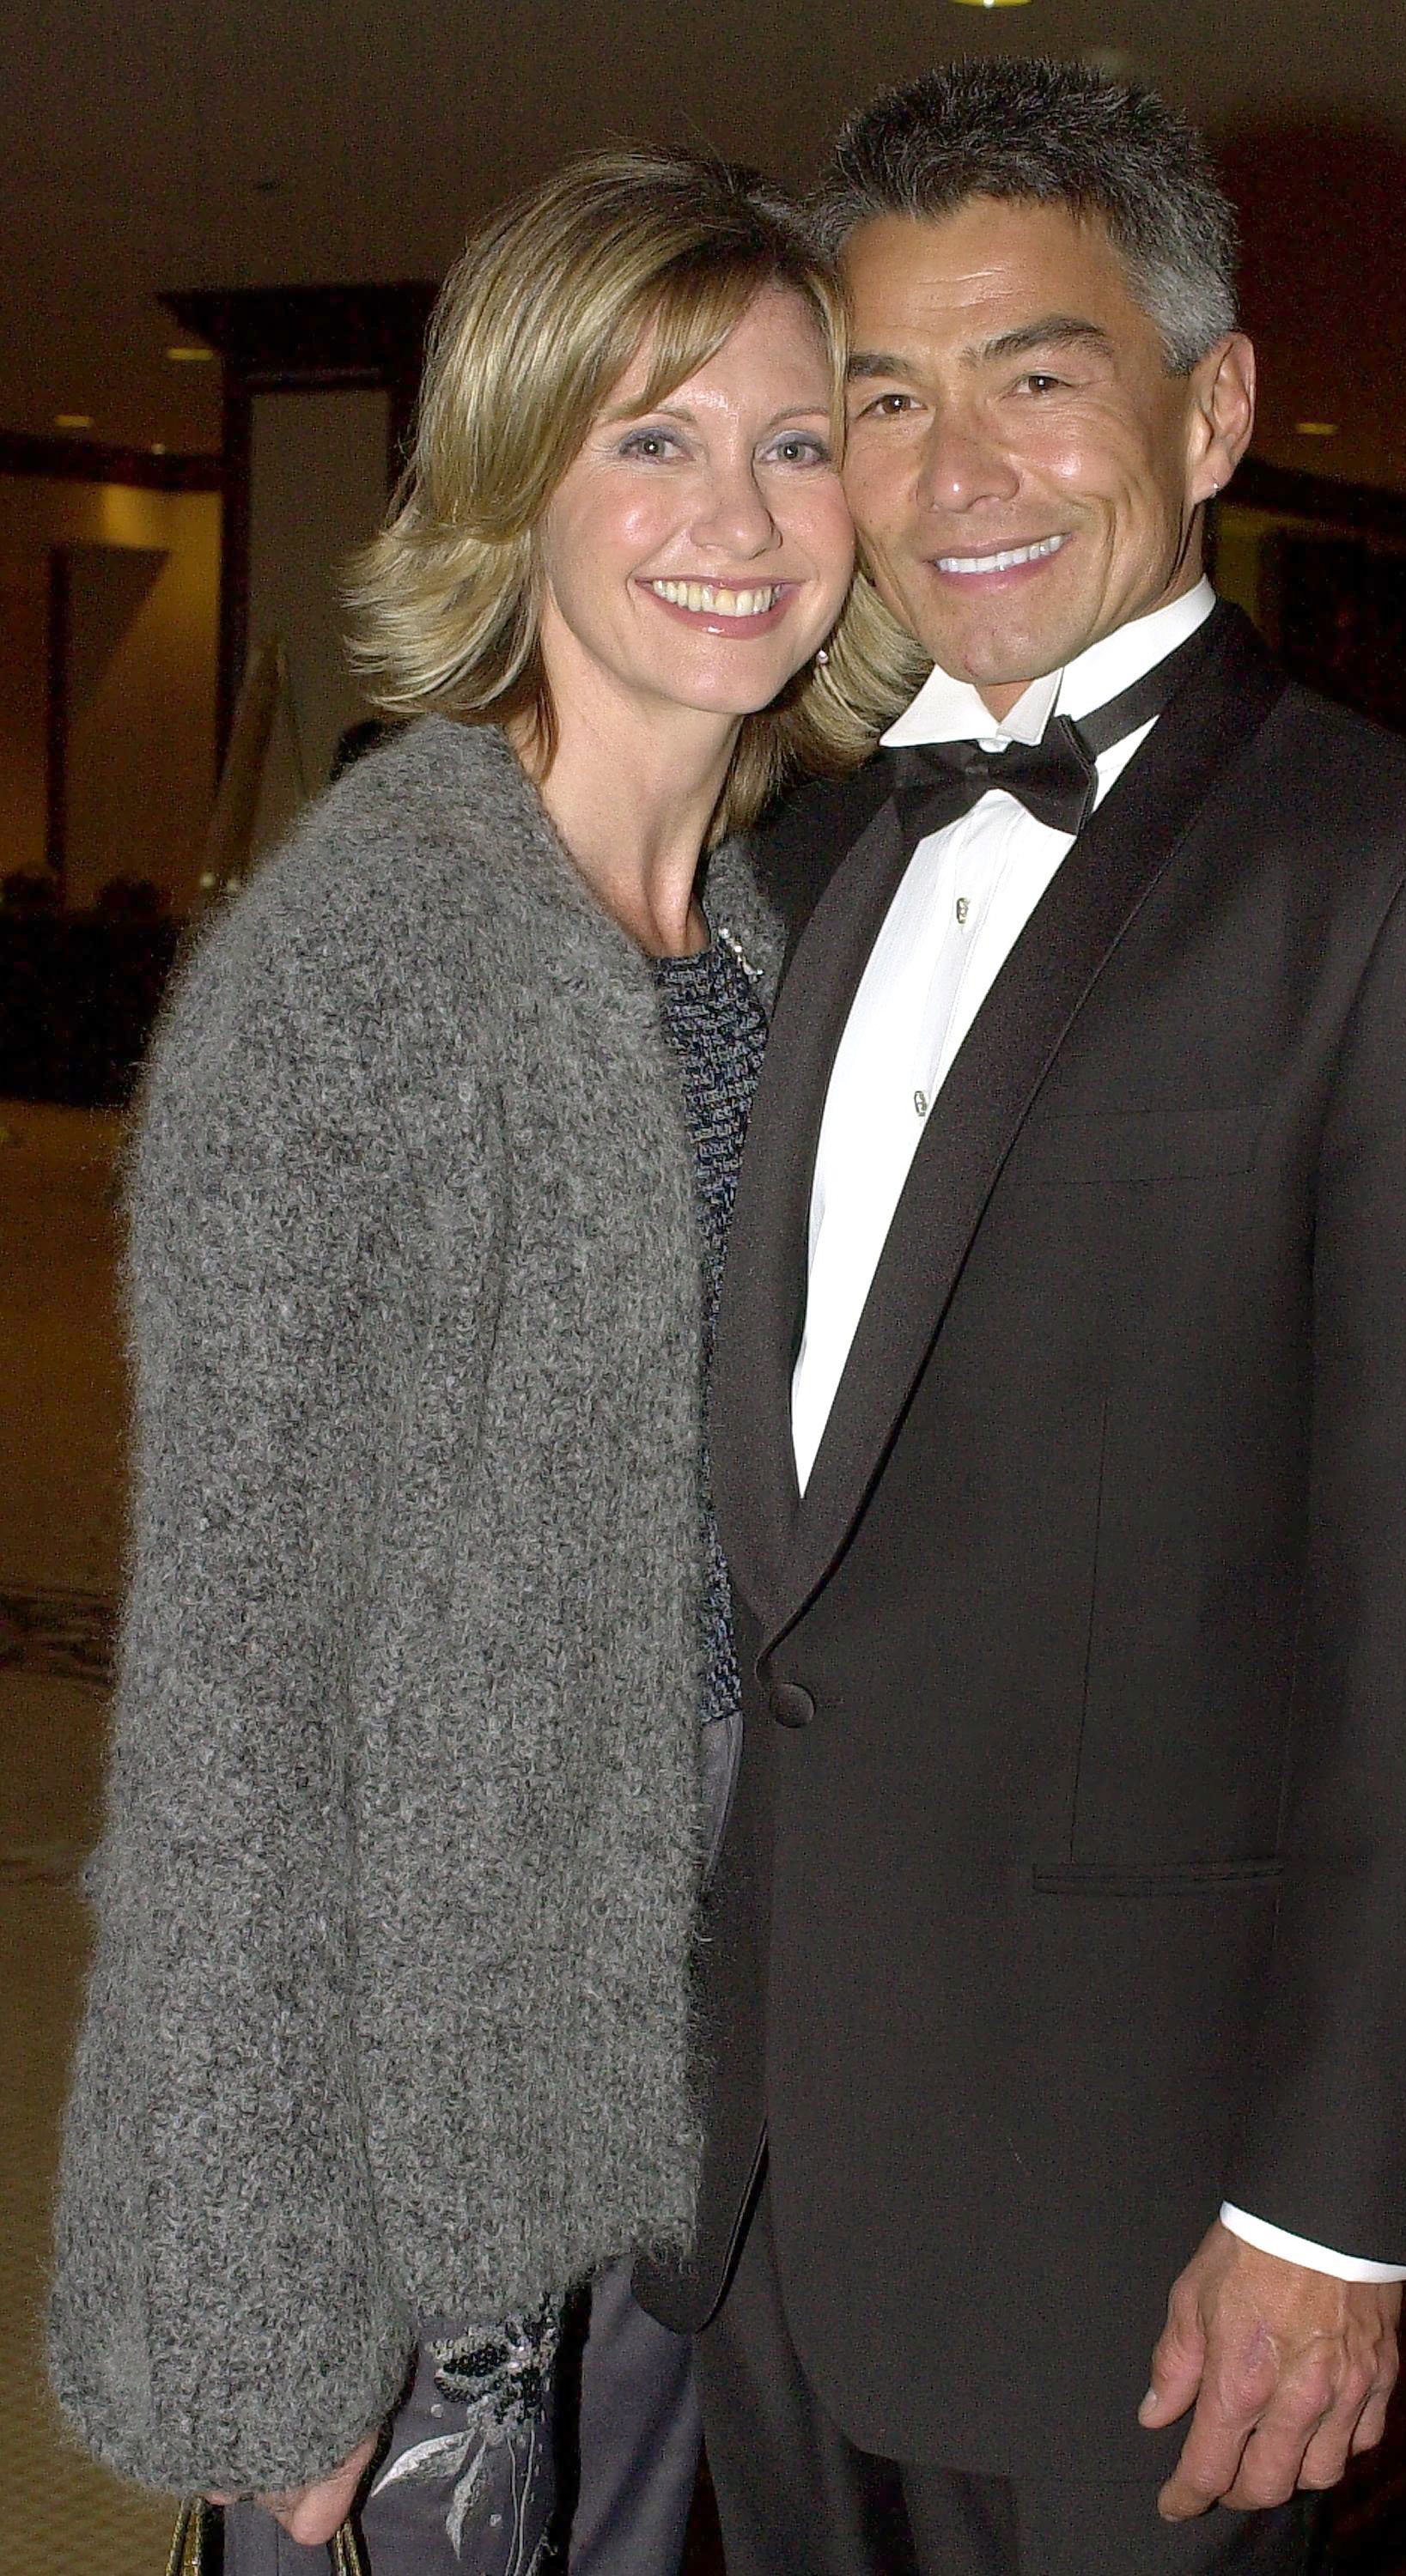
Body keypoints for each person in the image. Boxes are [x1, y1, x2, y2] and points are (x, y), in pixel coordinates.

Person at [633, 59, 1406, 2576]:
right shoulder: (806, 851)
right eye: (883, 396)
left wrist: (1340, 2210)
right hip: (759, 2158)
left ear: (1211, 409)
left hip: (1141, 2220)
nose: (956, 470)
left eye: (1037, 373)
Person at [48, 146, 904, 2576]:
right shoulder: (364, 977)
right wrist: (262, 2311)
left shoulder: (761, 935)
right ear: (518, 480)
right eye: (651, 436)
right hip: (435, 2119)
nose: (736, 514)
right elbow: (237, 1699)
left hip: (689, 2054)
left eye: (795, 439)